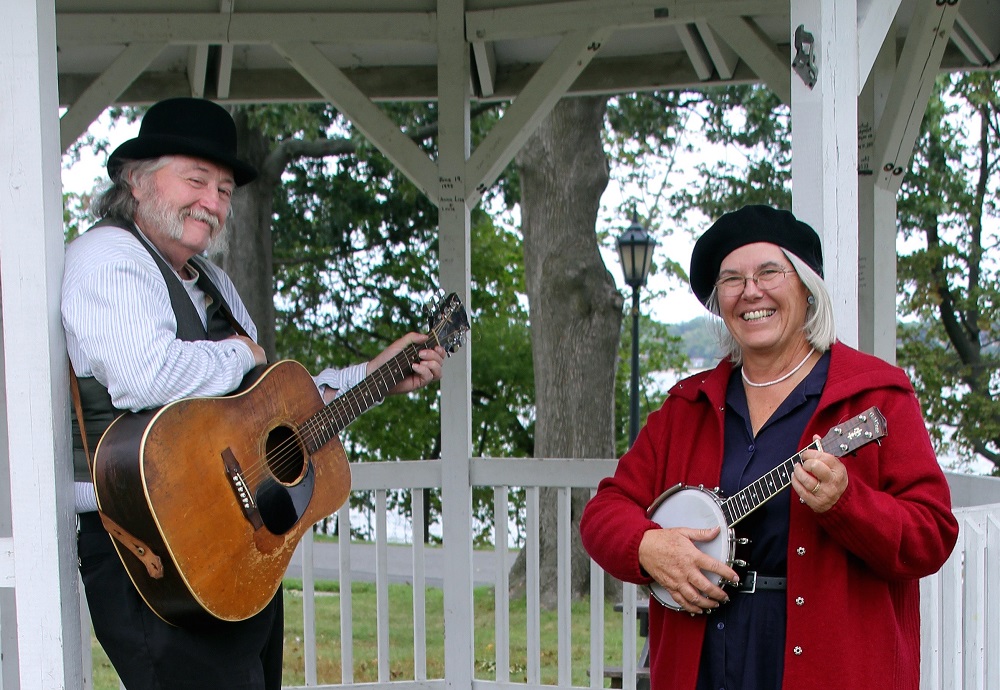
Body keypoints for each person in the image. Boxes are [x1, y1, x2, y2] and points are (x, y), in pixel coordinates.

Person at [62, 97, 446, 689]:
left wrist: (375, 374)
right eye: (196, 181)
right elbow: (145, 376)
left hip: (235, 548)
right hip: (150, 549)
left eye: (224, 190)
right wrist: (243, 352)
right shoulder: (107, 257)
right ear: (136, 180)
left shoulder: (212, 282)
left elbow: (263, 405)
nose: (212, 203)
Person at [580, 204, 959, 690]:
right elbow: (604, 511)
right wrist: (648, 545)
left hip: (829, 668)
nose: (750, 291)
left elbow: (932, 534)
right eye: (732, 280)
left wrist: (848, 505)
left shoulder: (876, 396)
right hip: (702, 667)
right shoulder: (688, 406)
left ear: (807, 287)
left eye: (768, 272)